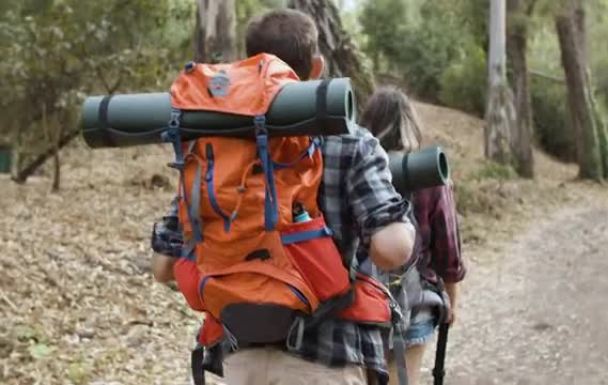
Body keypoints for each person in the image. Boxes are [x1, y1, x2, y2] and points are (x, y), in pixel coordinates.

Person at [151, 9, 416, 385]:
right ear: (317, 67)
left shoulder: (211, 146)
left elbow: (163, 269)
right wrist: (406, 229)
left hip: (239, 361)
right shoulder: (350, 141)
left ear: (248, 62)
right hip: (328, 360)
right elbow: (391, 250)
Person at [360, 87, 466, 385]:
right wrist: (451, 304)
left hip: (358, 305)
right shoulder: (430, 175)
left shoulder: (354, 167)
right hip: (415, 304)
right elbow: (449, 253)